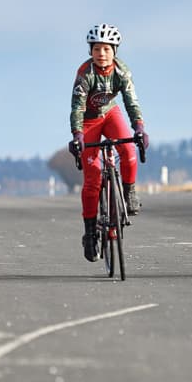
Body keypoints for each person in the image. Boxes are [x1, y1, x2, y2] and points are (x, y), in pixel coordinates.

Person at [68, 24, 149, 263]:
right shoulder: (85, 73)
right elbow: (77, 108)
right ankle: (91, 231)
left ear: (114, 51)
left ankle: (129, 192)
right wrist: (77, 135)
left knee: (128, 149)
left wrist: (140, 127)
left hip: (111, 114)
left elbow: (131, 102)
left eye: (105, 49)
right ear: (90, 51)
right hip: (89, 121)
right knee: (93, 176)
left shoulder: (122, 72)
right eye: (96, 49)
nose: (101, 54)